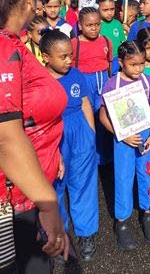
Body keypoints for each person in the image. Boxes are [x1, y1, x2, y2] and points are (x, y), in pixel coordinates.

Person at [0, 0, 69, 273]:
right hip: (15, 200)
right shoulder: (4, 50)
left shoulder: (14, 45)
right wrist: (48, 204)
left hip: (30, 183)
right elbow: (7, 138)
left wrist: (53, 159)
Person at [40, 29, 99, 262]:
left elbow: (85, 103)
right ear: (46, 57)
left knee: (83, 181)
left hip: (80, 130)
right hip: (54, 133)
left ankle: (86, 232)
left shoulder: (76, 74)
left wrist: (91, 134)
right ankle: (57, 235)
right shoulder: (40, 80)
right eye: (62, 56)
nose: (68, 60)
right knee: (54, 186)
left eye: (70, 55)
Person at [99, 41, 150, 250]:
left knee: (146, 176)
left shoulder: (147, 82)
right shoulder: (111, 84)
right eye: (133, 64)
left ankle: (146, 213)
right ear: (121, 62)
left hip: (145, 136)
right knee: (123, 178)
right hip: (123, 138)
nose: (138, 68)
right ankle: (122, 221)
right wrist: (121, 135)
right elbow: (103, 116)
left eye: (141, 64)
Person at [71, 7, 113, 113]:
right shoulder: (74, 44)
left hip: (103, 80)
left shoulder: (106, 41)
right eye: (89, 25)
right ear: (80, 26)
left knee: (104, 112)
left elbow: (109, 63)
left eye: (97, 24)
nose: (94, 28)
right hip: (84, 81)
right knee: (86, 112)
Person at [97, 0, 126, 76]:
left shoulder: (117, 24)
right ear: (97, 8)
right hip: (102, 59)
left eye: (112, 9)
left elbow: (122, 42)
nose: (109, 13)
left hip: (116, 58)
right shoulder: (95, 25)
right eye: (105, 10)